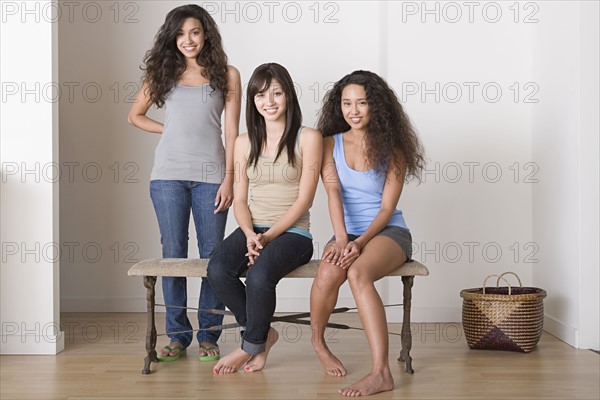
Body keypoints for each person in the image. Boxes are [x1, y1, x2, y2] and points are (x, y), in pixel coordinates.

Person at [127, 4, 241, 362]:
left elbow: (233, 131)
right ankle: (177, 336)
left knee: (212, 257)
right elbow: (135, 116)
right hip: (167, 176)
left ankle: (209, 334)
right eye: (179, 34)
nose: (187, 40)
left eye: (193, 32)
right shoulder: (163, 72)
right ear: (171, 37)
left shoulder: (228, 74)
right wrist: (168, 130)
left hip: (212, 177)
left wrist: (231, 180)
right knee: (173, 254)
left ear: (205, 33)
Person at [310, 70, 425, 396]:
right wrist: (342, 238)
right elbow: (332, 192)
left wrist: (360, 243)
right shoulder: (327, 143)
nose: (354, 110)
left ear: (376, 106)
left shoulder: (394, 149)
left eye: (361, 102)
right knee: (327, 275)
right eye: (347, 103)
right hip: (346, 232)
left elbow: (387, 208)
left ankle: (381, 373)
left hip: (389, 232)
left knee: (358, 273)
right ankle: (318, 343)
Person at [207, 63, 323, 374]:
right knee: (218, 269)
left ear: (289, 96)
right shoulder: (243, 143)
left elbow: (305, 200)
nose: (268, 101)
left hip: (293, 234)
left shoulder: (308, 138)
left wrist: (269, 237)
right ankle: (262, 334)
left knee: (259, 276)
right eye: (260, 95)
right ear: (252, 101)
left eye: (276, 93)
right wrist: (248, 233)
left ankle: (249, 346)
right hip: (252, 229)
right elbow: (241, 200)